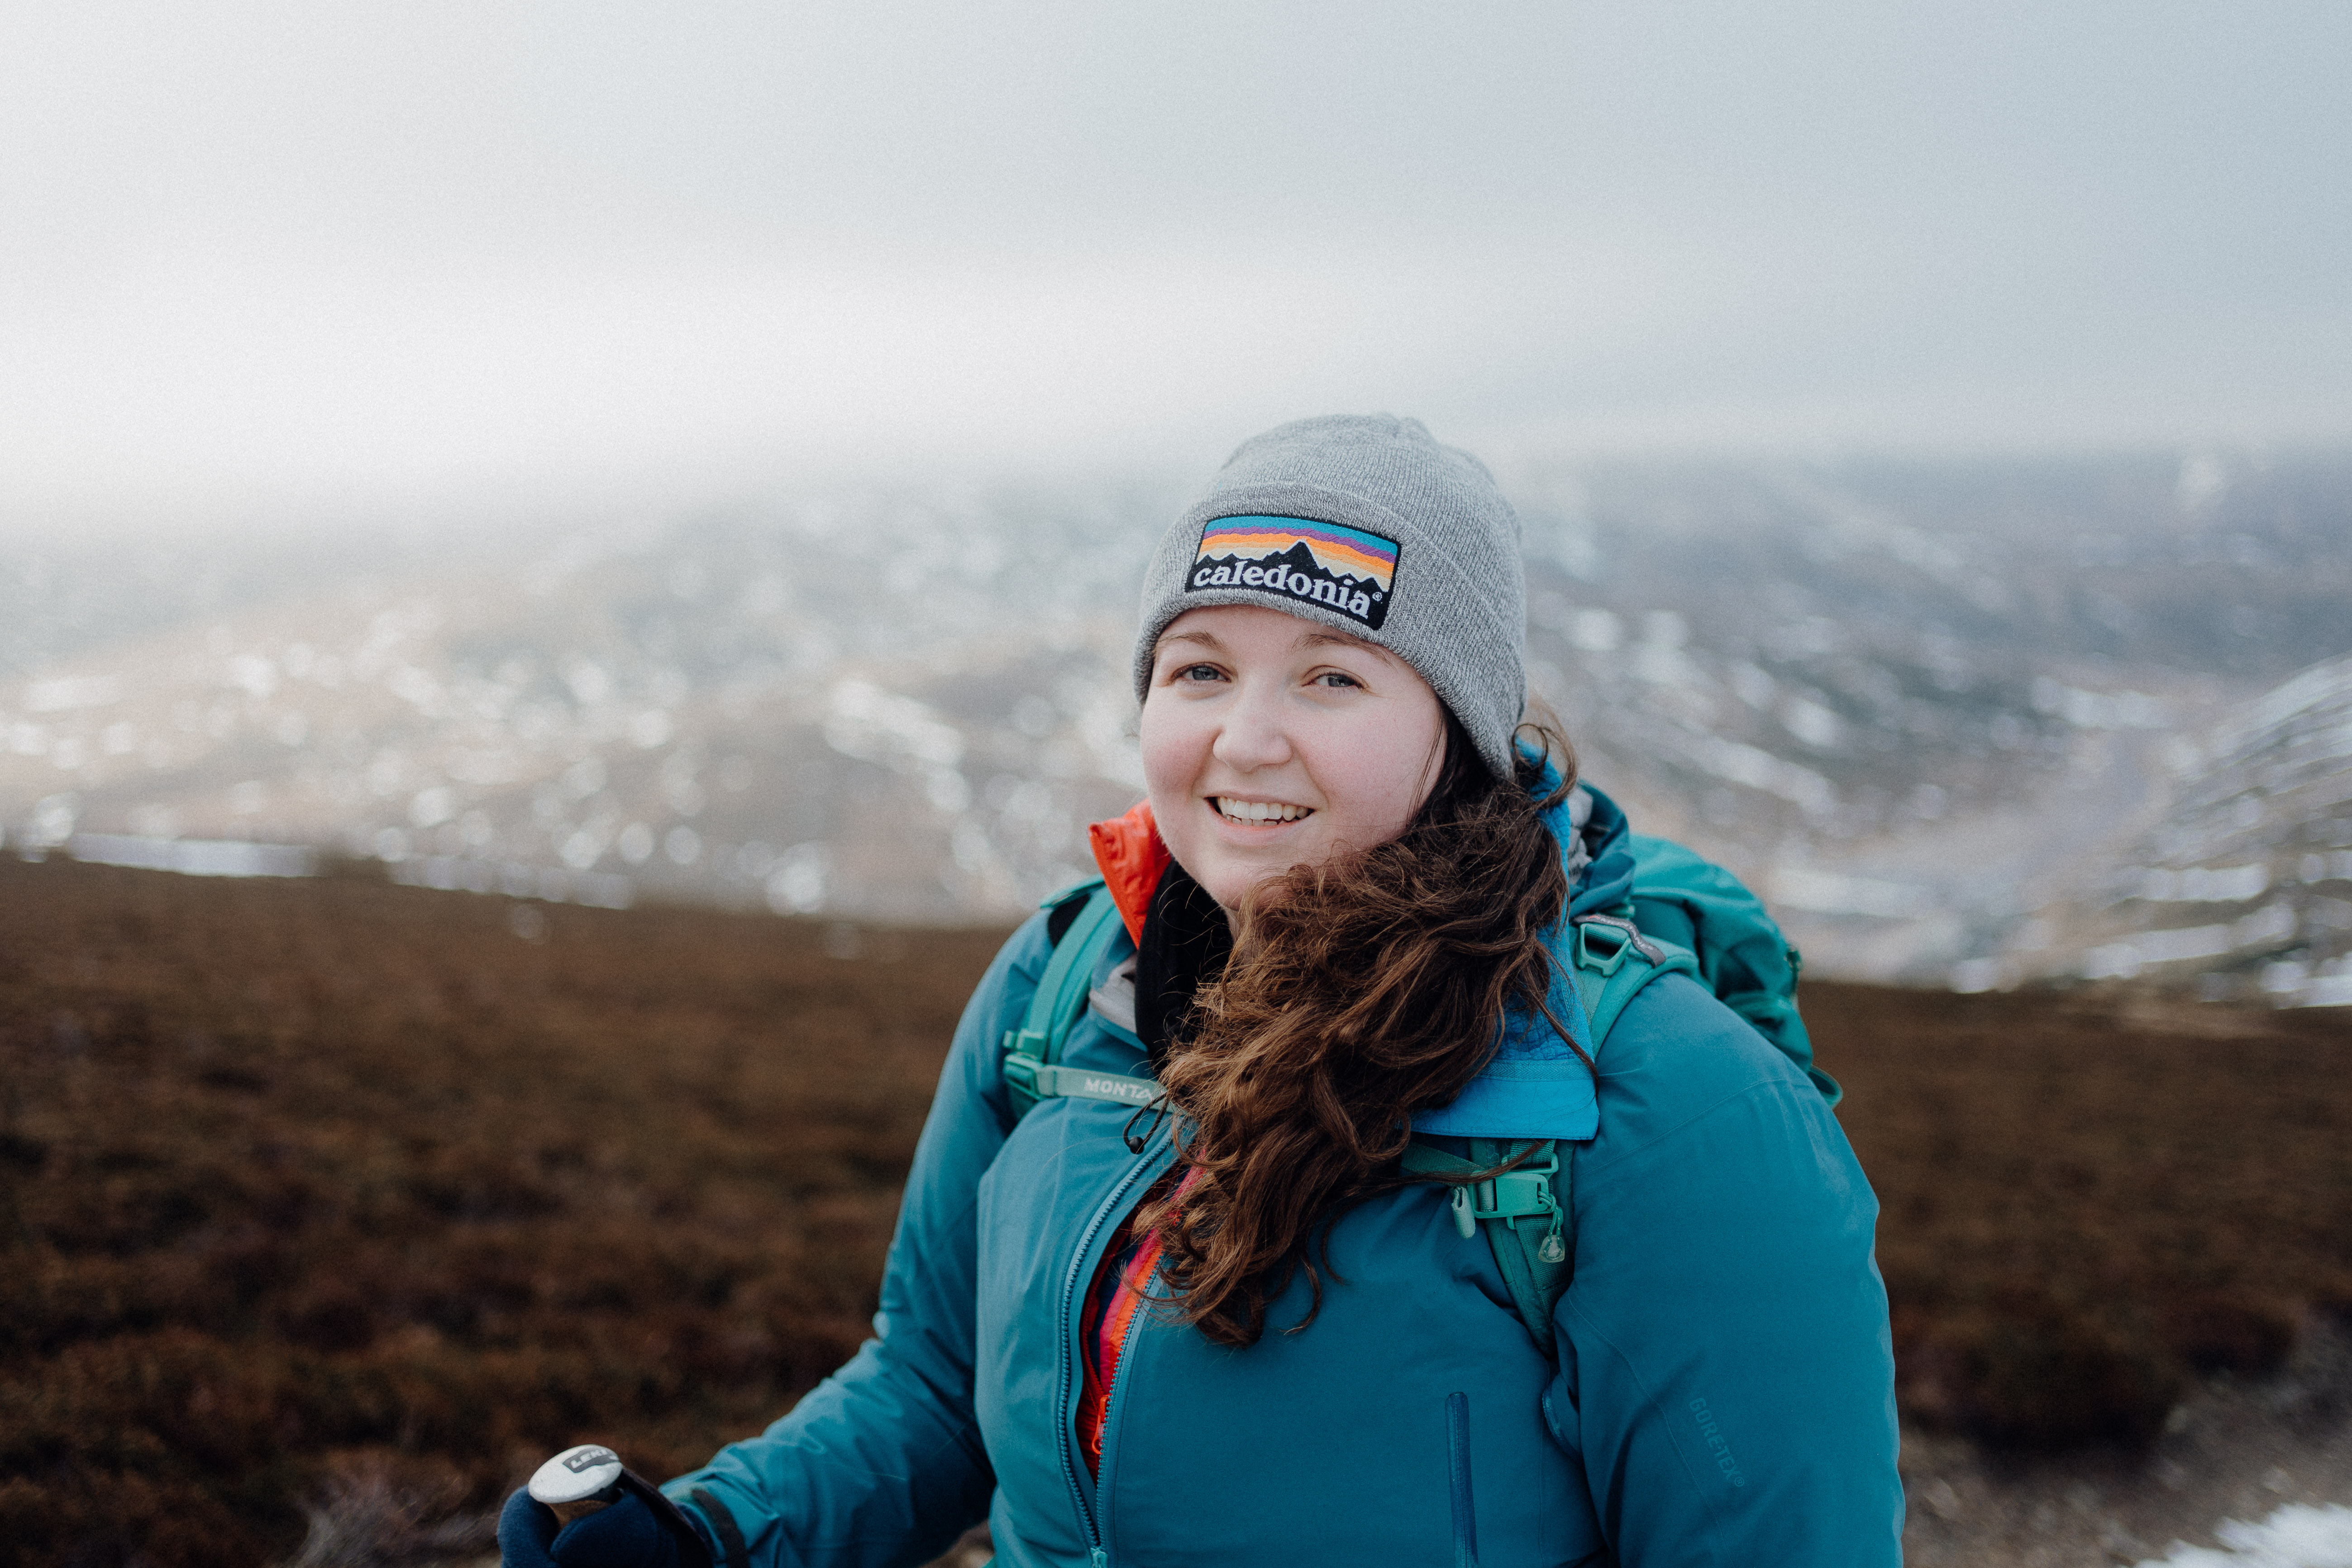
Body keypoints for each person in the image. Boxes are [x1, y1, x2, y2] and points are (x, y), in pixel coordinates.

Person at [501, 415, 1904, 1568]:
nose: (1246, 738)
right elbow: (936, 1386)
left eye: (1335, 676)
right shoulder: (1067, 992)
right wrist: (711, 1539)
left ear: (1458, 728)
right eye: (1201, 667)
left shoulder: (1669, 1105)